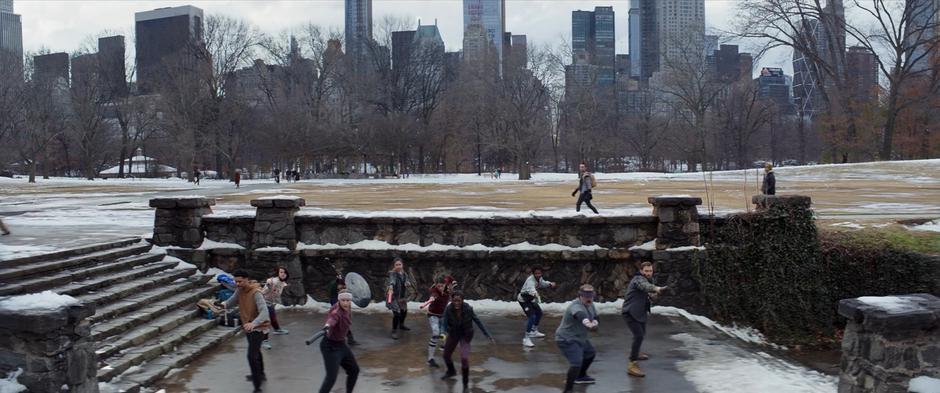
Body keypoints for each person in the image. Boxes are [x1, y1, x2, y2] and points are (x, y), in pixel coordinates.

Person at [222, 269, 271, 393]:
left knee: (251, 356)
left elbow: (265, 312)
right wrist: (223, 305)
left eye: (240, 281)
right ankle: (261, 374)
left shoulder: (256, 293)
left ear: (247, 279)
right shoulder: (239, 290)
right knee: (256, 351)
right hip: (248, 327)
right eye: (236, 281)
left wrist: (253, 324)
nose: (237, 284)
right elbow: (231, 301)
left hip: (258, 328)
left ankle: (257, 386)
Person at [441, 291, 495, 389]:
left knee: (464, 358)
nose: (456, 303)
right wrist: (442, 333)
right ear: (452, 300)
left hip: (466, 335)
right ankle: (451, 371)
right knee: (446, 355)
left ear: (462, 301)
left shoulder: (468, 309)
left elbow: (478, 321)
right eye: (454, 301)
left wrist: (487, 334)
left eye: (459, 301)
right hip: (453, 333)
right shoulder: (448, 309)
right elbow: (444, 323)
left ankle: (465, 385)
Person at [622, 262, 666, 378]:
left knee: (641, 334)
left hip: (640, 312)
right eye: (646, 271)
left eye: (650, 271)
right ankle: (632, 365)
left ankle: (636, 353)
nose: (648, 273)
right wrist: (656, 288)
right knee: (639, 336)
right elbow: (644, 286)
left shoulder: (649, 280)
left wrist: (654, 294)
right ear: (641, 271)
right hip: (630, 312)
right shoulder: (638, 279)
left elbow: (649, 294)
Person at [555, 284, 600, 392]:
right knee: (576, 363)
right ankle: (568, 390)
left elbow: (596, 316)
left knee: (590, 354)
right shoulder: (575, 306)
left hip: (580, 338)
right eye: (586, 296)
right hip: (566, 339)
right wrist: (587, 323)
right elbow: (580, 315)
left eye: (590, 296)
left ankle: (580, 376)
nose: (588, 298)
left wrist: (595, 322)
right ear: (580, 296)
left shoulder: (591, 304)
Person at [318, 290, 360, 393]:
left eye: (348, 300)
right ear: (339, 300)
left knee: (354, 370)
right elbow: (332, 318)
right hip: (330, 347)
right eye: (343, 300)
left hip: (341, 344)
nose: (345, 303)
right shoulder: (337, 311)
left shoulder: (348, 307)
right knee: (331, 377)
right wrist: (327, 326)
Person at [420, 275, 456, 367]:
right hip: (433, 315)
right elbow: (433, 295)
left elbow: (450, 280)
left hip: (443, 315)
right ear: (435, 285)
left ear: (445, 284)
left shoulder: (448, 288)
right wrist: (432, 298)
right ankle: (430, 359)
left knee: (446, 331)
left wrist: (453, 285)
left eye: (442, 286)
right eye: (438, 286)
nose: (440, 288)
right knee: (436, 333)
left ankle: (443, 345)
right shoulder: (434, 291)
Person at [517, 267, 556, 347]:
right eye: (536, 273)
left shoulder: (539, 278)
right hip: (524, 300)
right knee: (532, 317)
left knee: (539, 313)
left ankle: (533, 331)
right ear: (533, 273)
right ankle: (526, 338)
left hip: (531, 299)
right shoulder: (530, 281)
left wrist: (549, 284)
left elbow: (542, 283)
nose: (538, 275)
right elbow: (531, 290)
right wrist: (536, 295)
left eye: (539, 273)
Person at [260, 266, 290, 349]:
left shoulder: (282, 283)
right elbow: (265, 289)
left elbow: (276, 295)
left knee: (273, 317)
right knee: (266, 321)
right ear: (278, 273)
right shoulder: (273, 281)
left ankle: (277, 329)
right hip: (263, 302)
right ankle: (264, 341)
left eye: (284, 272)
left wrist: (275, 303)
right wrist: (268, 285)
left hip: (270, 302)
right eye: (281, 272)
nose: (283, 274)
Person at [329, 271, 358, 345]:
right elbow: (334, 299)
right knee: (339, 324)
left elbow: (348, 296)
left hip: (345, 307)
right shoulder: (334, 286)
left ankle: (349, 340)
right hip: (338, 307)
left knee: (345, 323)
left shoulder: (345, 286)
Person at [386, 257, 412, 339]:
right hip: (393, 296)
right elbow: (392, 281)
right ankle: (394, 331)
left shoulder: (404, 274)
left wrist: (407, 283)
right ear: (394, 266)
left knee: (404, 312)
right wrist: (391, 286)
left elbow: (407, 281)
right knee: (397, 314)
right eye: (396, 265)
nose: (398, 266)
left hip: (402, 297)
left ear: (402, 265)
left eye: (399, 264)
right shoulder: (392, 274)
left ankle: (401, 325)